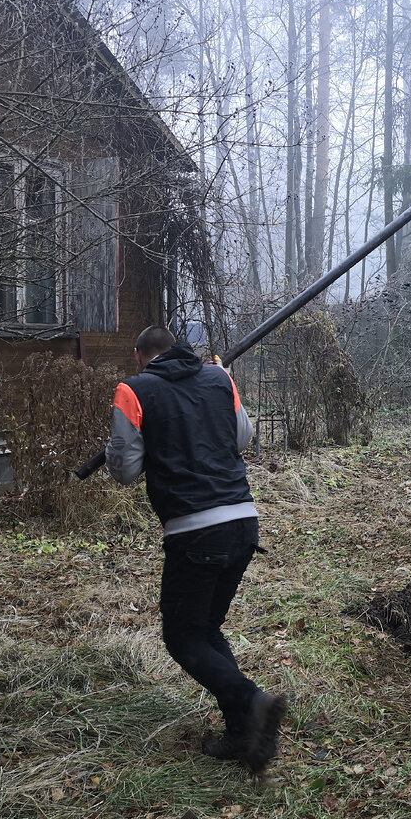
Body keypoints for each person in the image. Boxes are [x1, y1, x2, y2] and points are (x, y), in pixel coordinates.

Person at [105, 325, 287, 772]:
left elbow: (125, 469)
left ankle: (255, 701)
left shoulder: (133, 390)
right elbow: (241, 437)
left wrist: (134, 445)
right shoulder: (219, 378)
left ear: (139, 354)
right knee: (206, 628)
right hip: (243, 520)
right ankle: (242, 733)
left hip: (195, 529)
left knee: (182, 637)